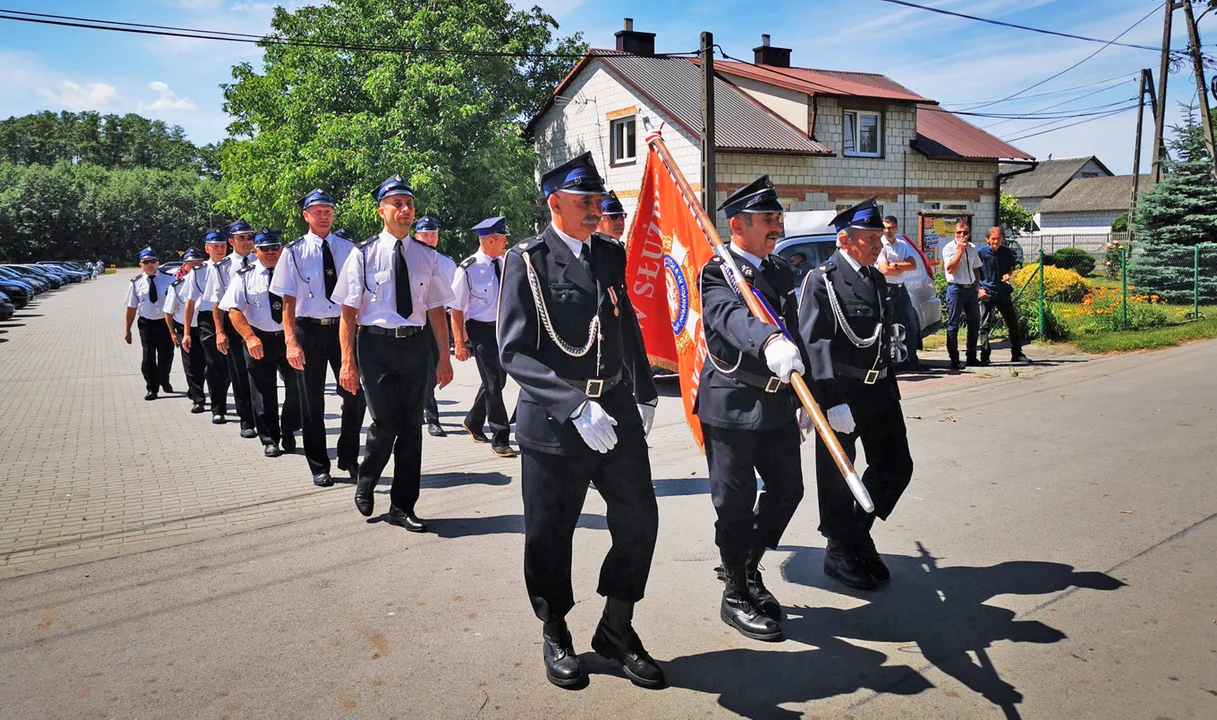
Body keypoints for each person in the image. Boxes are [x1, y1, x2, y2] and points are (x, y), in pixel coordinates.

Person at [499, 152, 664, 690]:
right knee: (550, 531)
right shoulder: (525, 260)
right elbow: (514, 352)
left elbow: (626, 327)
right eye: (586, 202)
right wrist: (572, 404)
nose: (598, 210)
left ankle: (617, 626)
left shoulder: (610, 255)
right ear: (555, 203)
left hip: (613, 407)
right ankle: (554, 627)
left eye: (599, 201)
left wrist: (642, 390)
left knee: (640, 519)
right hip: (555, 417)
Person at [696, 175, 810, 643]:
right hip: (733, 403)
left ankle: (745, 563)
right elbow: (729, 317)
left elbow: (797, 332)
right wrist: (768, 341)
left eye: (778, 218)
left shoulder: (780, 271)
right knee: (735, 504)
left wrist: (810, 397)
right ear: (737, 225)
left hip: (779, 402)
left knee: (788, 490)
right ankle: (736, 594)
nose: (776, 226)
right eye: (768, 219)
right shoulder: (716, 271)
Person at [798, 198, 915, 591]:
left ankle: (857, 534)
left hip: (879, 388)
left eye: (880, 237)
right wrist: (829, 400)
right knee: (837, 477)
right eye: (872, 238)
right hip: (843, 391)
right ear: (846, 241)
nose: (880, 245)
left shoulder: (875, 278)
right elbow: (814, 342)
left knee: (897, 465)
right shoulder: (823, 280)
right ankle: (837, 550)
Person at [333, 175, 454, 532]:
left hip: (415, 346)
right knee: (385, 423)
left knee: (412, 429)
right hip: (375, 346)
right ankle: (367, 478)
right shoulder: (363, 254)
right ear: (381, 211)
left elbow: (435, 309)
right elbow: (348, 313)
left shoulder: (426, 255)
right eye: (397, 204)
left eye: (410, 204)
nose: (405, 210)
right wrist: (347, 363)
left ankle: (403, 506)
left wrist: (444, 358)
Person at [273, 188, 364, 487]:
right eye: (318, 211)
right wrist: (290, 341)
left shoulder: (349, 248)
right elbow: (287, 301)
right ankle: (318, 465)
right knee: (312, 402)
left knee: (354, 396)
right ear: (306, 216)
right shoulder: (293, 251)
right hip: (308, 329)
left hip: (342, 328)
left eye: (328, 211)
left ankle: (349, 456)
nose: (324, 216)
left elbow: (357, 293)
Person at [219, 228, 302, 458]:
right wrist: (249, 337)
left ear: (281, 248)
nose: (271, 252)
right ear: (256, 251)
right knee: (263, 391)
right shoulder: (245, 275)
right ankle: (270, 439)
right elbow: (233, 309)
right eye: (265, 248)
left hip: (290, 338)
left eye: (275, 247)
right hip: (259, 338)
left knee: (297, 388)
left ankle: (289, 428)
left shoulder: (293, 272)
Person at [451, 216, 514, 458]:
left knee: (499, 379)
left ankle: (474, 420)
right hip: (480, 329)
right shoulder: (467, 269)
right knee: (493, 382)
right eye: (502, 238)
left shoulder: (505, 262)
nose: (506, 242)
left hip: (502, 328)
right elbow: (456, 309)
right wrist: (459, 342)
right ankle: (500, 436)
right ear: (489, 240)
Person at [206, 221, 259, 437]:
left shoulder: (262, 259)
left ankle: (265, 418)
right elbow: (217, 303)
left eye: (249, 237)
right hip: (234, 324)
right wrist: (219, 331)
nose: (247, 242)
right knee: (240, 374)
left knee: (262, 374)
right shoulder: (223, 267)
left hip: (260, 322)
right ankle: (247, 421)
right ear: (231, 241)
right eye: (241, 238)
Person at [411, 214, 457, 438]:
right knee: (414, 371)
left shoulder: (447, 262)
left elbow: (453, 299)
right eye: (425, 234)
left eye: (433, 235)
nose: (429, 238)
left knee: (431, 370)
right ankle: (418, 411)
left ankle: (433, 418)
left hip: (437, 321)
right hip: (413, 320)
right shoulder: (408, 257)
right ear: (416, 235)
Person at [183, 230, 234, 424]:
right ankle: (218, 408)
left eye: (222, 245)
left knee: (231, 365)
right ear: (207, 249)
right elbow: (190, 303)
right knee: (214, 364)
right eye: (215, 246)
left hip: (231, 316)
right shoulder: (199, 272)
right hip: (207, 320)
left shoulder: (232, 266)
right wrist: (187, 332)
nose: (220, 249)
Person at [123, 247, 175, 401]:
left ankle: (164, 379)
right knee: (148, 356)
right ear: (140, 264)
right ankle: (152, 388)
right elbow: (131, 307)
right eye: (146, 262)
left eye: (153, 261)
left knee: (166, 355)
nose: (150, 265)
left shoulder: (170, 279)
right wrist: (127, 330)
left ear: (158, 262)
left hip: (166, 323)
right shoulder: (136, 283)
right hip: (147, 323)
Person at [977, 227, 1030, 365]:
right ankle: (985, 355)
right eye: (993, 239)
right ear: (987, 239)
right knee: (984, 325)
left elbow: (1010, 267)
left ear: (1003, 239)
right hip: (987, 292)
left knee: (1012, 323)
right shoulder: (980, 253)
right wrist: (979, 289)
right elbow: (974, 272)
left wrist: (1009, 274)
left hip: (1002, 292)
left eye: (999, 239)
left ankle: (1017, 354)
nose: (996, 241)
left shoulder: (1007, 252)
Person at [164, 248, 208, 413]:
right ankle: (199, 400)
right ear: (185, 265)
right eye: (192, 263)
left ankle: (196, 389)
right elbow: (168, 312)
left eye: (199, 262)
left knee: (207, 365)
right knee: (191, 365)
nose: (197, 265)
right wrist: (173, 333)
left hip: (206, 328)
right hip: (185, 330)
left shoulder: (208, 282)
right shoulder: (178, 286)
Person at [877, 216, 923, 370]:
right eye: (885, 227)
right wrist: (902, 266)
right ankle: (888, 363)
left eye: (891, 228)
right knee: (887, 325)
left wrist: (894, 265)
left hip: (901, 288)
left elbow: (913, 265)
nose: (888, 231)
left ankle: (912, 360)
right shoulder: (880, 245)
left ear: (896, 228)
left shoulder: (902, 245)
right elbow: (884, 270)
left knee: (911, 324)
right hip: (887, 288)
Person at [940, 221, 983, 371]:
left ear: (969, 233)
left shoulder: (972, 248)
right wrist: (959, 251)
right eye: (959, 232)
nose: (962, 236)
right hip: (956, 289)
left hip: (970, 289)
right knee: (953, 324)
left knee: (974, 323)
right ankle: (954, 359)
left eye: (965, 233)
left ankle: (971, 356)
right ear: (954, 233)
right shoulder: (949, 248)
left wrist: (977, 285)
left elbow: (976, 268)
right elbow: (950, 269)